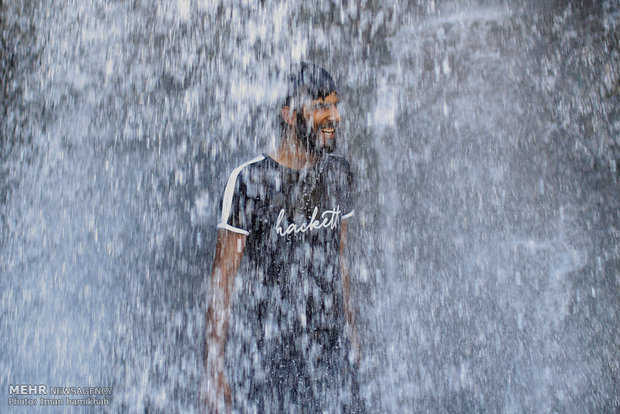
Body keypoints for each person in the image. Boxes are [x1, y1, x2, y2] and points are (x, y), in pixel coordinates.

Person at [201, 62, 364, 413]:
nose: (333, 115)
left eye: (334, 104)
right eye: (321, 105)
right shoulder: (249, 181)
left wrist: (352, 335)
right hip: (270, 360)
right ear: (289, 114)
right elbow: (222, 283)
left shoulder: (339, 173)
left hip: (332, 355)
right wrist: (213, 369)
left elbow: (341, 261)